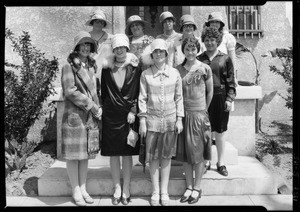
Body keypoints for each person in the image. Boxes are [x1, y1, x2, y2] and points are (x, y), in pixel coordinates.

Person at [138, 38, 184, 206]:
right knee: (154, 157)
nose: (158, 54)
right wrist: (142, 120)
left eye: (161, 51)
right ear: (152, 54)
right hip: (152, 120)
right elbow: (142, 98)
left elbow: (179, 98)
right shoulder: (146, 74)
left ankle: (164, 190)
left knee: (166, 156)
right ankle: (155, 190)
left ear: (166, 53)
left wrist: (180, 118)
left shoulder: (175, 73)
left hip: (170, 119)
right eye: (155, 51)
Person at [100, 34, 142, 205]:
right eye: (116, 48)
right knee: (113, 153)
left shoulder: (135, 67)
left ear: (127, 48)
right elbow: (103, 91)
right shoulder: (106, 68)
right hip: (111, 115)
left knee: (126, 153)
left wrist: (133, 110)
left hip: (128, 116)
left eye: (122, 47)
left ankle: (126, 188)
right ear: (113, 50)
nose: (119, 51)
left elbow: (139, 91)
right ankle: (117, 187)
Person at [61, 31, 102, 206]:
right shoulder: (69, 66)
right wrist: (91, 105)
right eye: (82, 44)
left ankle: (83, 188)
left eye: (88, 44)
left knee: (85, 155)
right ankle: (75, 190)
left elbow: (96, 90)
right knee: (73, 156)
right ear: (77, 47)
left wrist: (98, 108)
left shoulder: (92, 65)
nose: (86, 47)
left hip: (90, 118)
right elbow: (70, 91)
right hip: (75, 117)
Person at [174, 37, 213, 204]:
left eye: (193, 49)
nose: (190, 52)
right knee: (185, 153)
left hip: (199, 115)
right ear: (183, 50)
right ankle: (189, 186)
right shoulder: (177, 70)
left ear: (197, 49)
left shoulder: (205, 69)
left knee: (198, 154)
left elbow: (210, 92)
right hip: (183, 115)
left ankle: (197, 187)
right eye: (187, 49)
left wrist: (204, 110)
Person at [197, 26, 236, 176]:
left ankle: (221, 162)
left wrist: (229, 98)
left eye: (212, 40)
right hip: (203, 98)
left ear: (218, 41)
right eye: (206, 40)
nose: (210, 43)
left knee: (219, 131)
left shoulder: (225, 58)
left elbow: (231, 82)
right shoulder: (200, 59)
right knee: (206, 131)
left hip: (220, 97)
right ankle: (207, 161)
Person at [86, 9, 113, 77]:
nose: (99, 24)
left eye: (102, 22)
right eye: (97, 21)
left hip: (106, 73)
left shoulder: (111, 38)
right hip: (88, 72)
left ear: (104, 24)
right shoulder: (85, 37)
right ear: (92, 22)